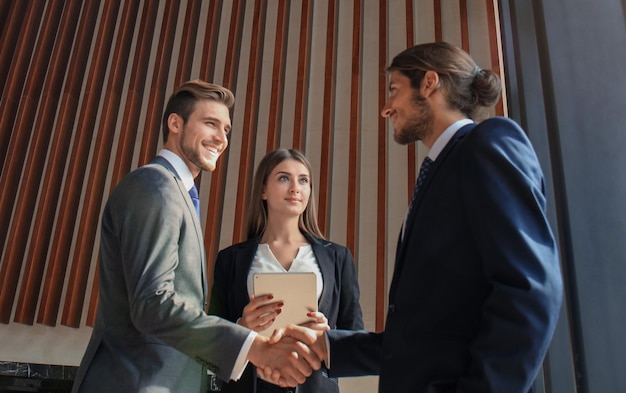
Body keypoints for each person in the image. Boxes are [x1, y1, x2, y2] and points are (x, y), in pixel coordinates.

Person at [274, 42, 564, 393]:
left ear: (429, 83)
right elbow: (429, 339)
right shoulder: (440, 172)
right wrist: (328, 346)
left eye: (394, 90)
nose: (385, 108)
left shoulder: (489, 143)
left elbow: (531, 290)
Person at [71, 81, 321, 393]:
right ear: (175, 123)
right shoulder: (155, 186)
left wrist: (240, 336)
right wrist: (252, 346)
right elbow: (152, 304)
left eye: (226, 129)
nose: (221, 138)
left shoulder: (176, 192)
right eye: (210, 124)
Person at [208, 148, 364, 393]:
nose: (295, 188)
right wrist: (241, 326)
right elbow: (211, 338)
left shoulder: (337, 258)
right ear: (263, 190)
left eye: (303, 180)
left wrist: (328, 338)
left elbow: (355, 337)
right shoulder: (230, 260)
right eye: (284, 178)